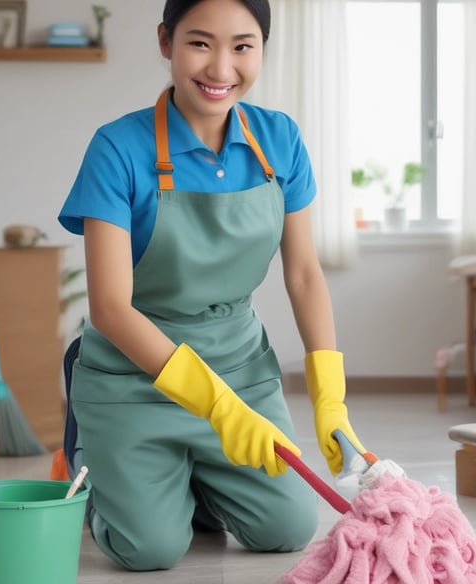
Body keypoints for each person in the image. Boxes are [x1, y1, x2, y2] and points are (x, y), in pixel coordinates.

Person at [58, 0, 366, 572]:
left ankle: (194, 485)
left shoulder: (280, 140)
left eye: (243, 46)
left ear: (262, 49)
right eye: (200, 43)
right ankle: (86, 459)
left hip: (238, 370)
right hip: (133, 377)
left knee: (288, 529)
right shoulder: (118, 148)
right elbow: (110, 308)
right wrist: (215, 406)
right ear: (166, 42)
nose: (221, 68)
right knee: (147, 550)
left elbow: (303, 273)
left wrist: (330, 398)